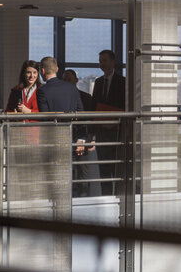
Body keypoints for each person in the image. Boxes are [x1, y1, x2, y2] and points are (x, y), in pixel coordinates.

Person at [63, 69, 102, 197]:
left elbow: (90, 120)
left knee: (84, 175)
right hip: (66, 140)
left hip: (84, 139)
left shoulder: (86, 98)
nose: (67, 82)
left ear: (76, 80)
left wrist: (85, 139)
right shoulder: (62, 99)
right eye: (65, 80)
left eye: (70, 79)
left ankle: (83, 199)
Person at [92, 49, 125, 195]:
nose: (101, 64)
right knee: (103, 169)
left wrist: (115, 121)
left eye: (104, 60)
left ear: (113, 62)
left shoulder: (122, 82)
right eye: (100, 61)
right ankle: (106, 198)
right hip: (101, 131)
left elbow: (126, 106)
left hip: (117, 132)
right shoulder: (98, 82)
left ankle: (119, 199)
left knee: (117, 169)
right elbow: (94, 107)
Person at [37, 56, 85, 155]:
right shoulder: (72, 88)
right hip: (72, 137)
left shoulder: (42, 91)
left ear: (42, 71)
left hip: (52, 140)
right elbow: (81, 112)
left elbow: (44, 118)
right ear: (57, 69)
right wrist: (81, 139)